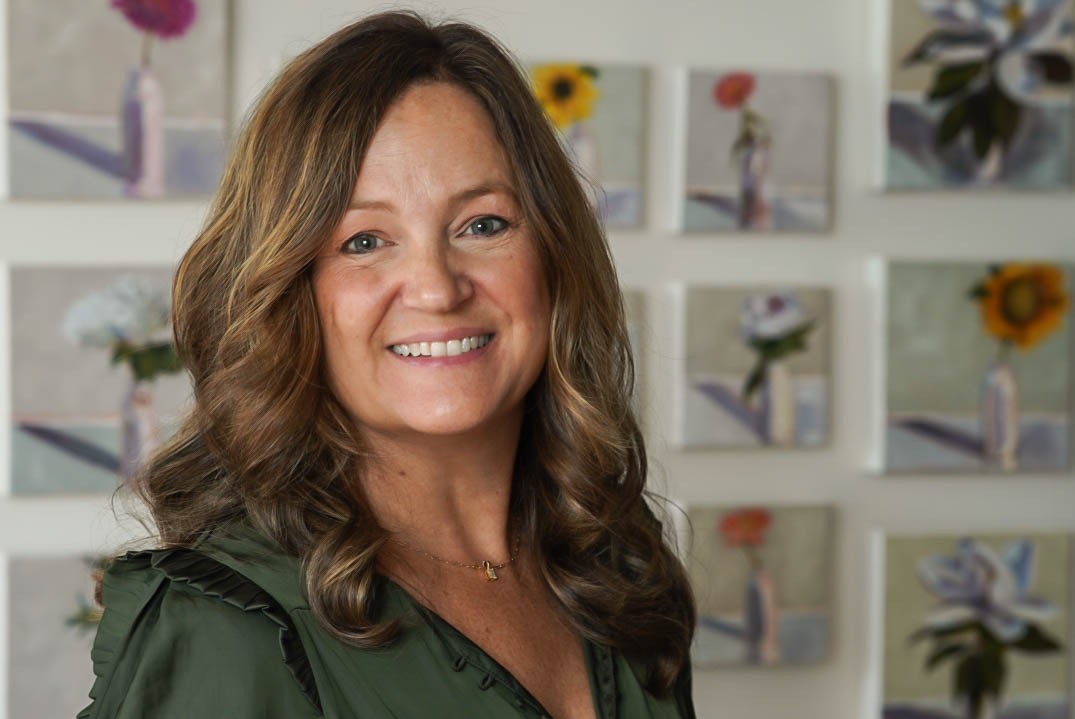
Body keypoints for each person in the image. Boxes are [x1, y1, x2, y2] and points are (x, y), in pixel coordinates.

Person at [80, 10, 696, 719]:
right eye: (365, 241)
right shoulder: (224, 627)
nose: (437, 288)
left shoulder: (620, 567)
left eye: (483, 224)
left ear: (554, 257)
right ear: (291, 295)